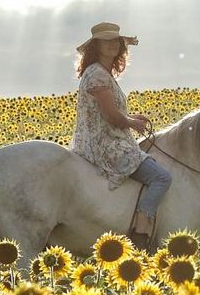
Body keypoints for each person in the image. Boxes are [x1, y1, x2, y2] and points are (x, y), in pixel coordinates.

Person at [70, 21, 172, 252]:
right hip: (104, 145)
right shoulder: (97, 74)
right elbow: (111, 116)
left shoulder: (101, 73)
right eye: (106, 41)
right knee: (161, 178)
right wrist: (131, 123)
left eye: (115, 40)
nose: (112, 45)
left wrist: (130, 116)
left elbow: (108, 111)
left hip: (108, 138)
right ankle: (141, 230)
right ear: (96, 46)